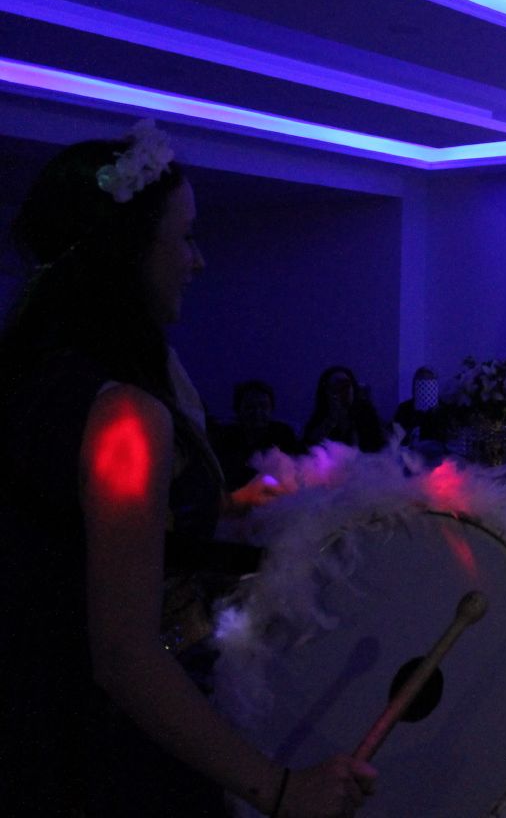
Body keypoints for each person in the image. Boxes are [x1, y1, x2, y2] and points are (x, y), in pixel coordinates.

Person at [0, 122, 375, 816]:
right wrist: (283, 788)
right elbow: (125, 655)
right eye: (187, 237)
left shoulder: (33, 380)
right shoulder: (122, 416)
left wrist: (227, 505)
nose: (198, 262)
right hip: (100, 749)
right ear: (129, 252)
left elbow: (66, 528)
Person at [210, 379, 300, 493]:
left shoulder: (283, 434)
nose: (257, 412)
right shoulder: (225, 437)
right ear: (238, 409)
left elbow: (296, 469)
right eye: (250, 407)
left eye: (263, 407)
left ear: (271, 409)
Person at [302, 364, 385, 452]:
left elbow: (380, 446)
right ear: (326, 391)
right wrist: (330, 420)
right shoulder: (319, 420)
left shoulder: (367, 415)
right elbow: (308, 447)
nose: (343, 390)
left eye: (346, 385)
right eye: (336, 385)